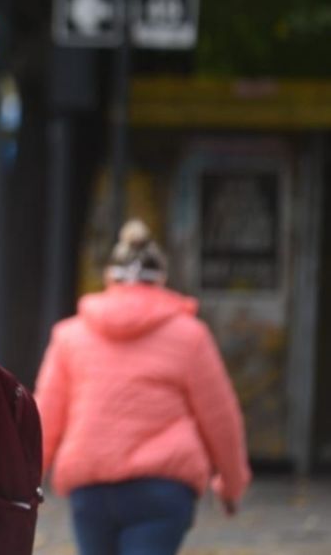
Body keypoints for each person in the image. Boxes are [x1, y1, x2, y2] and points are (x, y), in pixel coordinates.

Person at [34, 219, 251, 555]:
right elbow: (220, 417)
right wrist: (231, 485)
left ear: (109, 278)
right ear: (161, 279)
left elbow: (45, 417)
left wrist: (27, 483)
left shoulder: (70, 335)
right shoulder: (190, 335)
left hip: (90, 489)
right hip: (163, 488)